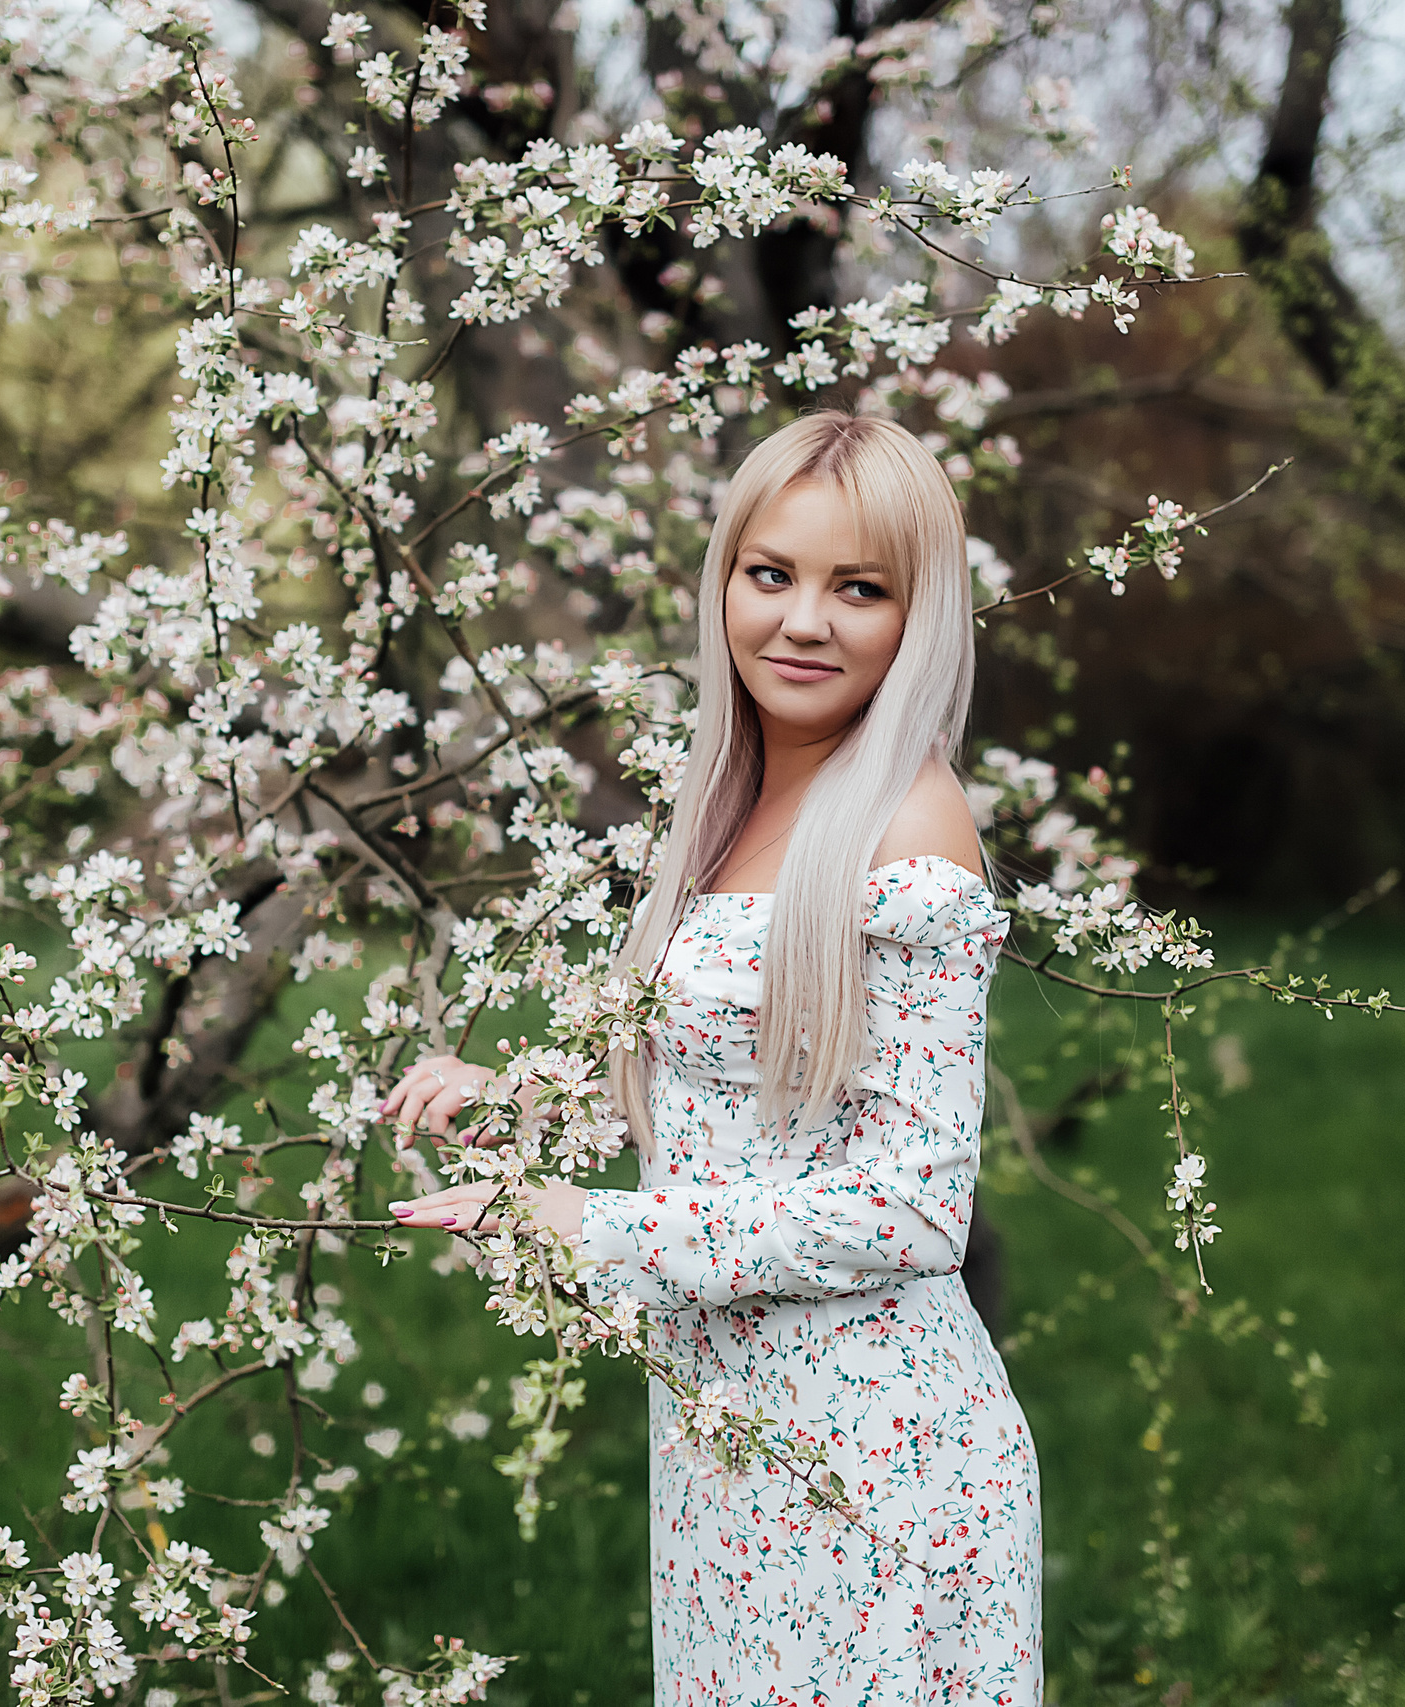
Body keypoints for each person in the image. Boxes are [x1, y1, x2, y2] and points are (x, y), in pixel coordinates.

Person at [383, 412, 1042, 1704]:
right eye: (773, 574)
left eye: (861, 588)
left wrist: (598, 1228)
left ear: (920, 615)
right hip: (723, 1427)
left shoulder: (911, 820)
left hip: (874, 1446)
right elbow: (733, 1061)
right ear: (724, 581)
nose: (805, 622)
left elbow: (912, 1207)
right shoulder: (728, 801)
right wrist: (522, 1091)